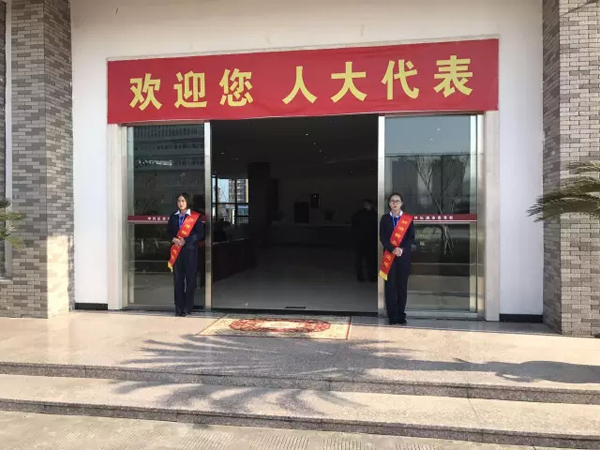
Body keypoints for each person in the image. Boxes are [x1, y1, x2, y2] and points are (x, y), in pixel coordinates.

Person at [379, 192, 415, 325]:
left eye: (397, 201)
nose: (395, 203)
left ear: (401, 203)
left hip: (403, 256)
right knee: (390, 287)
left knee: (402, 286)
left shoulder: (408, 219)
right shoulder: (385, 219)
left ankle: (401, 314)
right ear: (389, 204)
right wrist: (392, 249)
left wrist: (402, 249)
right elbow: (383, 237)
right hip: (389, 256)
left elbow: (411, 237)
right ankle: (392, 316)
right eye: (392, 201)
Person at [167, 193, 205, 317]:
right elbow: (168, 232)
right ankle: (178, 308)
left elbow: (200, 234)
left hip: (190, 251)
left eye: (183, 201)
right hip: (177, 251)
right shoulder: (173, 216)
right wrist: (173, 239)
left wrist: (187, 240)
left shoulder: (195, 217)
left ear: (187, 202)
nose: (181, 203)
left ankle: (187, 307)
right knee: (178, 280)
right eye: (179, 201)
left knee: (190, 279)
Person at [351, 199, 378, 282]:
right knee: (371, 260)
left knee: (359, 259)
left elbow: (353, 226)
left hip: (360, 240)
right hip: (370, 240)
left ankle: (360, 276)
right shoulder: (373, 214)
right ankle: (372, 277)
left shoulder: (358, 214)